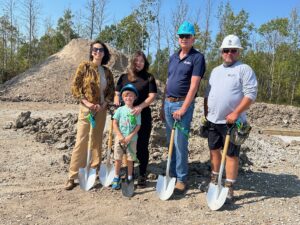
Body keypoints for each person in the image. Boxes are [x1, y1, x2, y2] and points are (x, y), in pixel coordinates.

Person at [204, 34, 258, 202]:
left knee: (231, 155)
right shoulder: (215, 71)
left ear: (238, 52)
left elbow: (251, 94)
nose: (229, 53)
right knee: (214, 151)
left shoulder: (244, 69)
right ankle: (215, 180)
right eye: (226, 50)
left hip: (233, 122)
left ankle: (229, 187)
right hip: (214, 119)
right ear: (221, 52)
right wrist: (206, 110)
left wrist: (236, 113)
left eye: (233, 50)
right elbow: (208, 93)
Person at [160, 21, 206, 194]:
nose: (184, 39)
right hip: (168, 103)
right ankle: (170, 174)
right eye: (181, 36)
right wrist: (163, 105)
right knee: (169, 142)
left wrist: (184, 108)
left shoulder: (197, 58)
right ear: (178, 38)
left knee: (180, 142)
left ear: (193, 38)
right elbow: (167, 82)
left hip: (181, 104)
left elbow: (194, 86)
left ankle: (181, 178)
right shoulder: (173, 57)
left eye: (187, 36)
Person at [65, 40, 115, 190]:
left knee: (97, 140)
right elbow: (75, 87)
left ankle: (94, 170)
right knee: (81, 140)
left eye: (101, 50)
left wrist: (103, 104)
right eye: (95, 49)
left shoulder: (107, 72)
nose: (98, 52)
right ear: (92, 51)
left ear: (104, 53)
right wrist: (87, 104)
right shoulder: (84, 67)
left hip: (101, 110)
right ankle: (72, 176)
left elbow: (111, 91)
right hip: (87, 109)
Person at [114, 51, 157, 188]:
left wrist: (140, 106)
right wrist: (117, 102)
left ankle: (142, 174)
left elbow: (152, 96)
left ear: (145, 63)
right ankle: (127, 173)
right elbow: (117, 93)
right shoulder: (124, 77)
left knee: (141, 146)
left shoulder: (149, 78)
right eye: (136, 61)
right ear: (132, 62)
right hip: (125, 119)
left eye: (142, 61)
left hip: (142, 117)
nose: (139, 63)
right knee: (124, 145)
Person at [111, 84, 141, 190]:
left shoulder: (136, 111)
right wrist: (119, 135)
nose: (128, 98)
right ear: (123, 98)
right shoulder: (120, 110)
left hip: (132, 139)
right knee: (118, 158)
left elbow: (138, 126)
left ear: (135, 98)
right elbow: (114, 123)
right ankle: (116, 176)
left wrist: (130, 136)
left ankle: (129, 177)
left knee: (130, 158)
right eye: (126, 96)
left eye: (131, 96)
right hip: (120, 139)